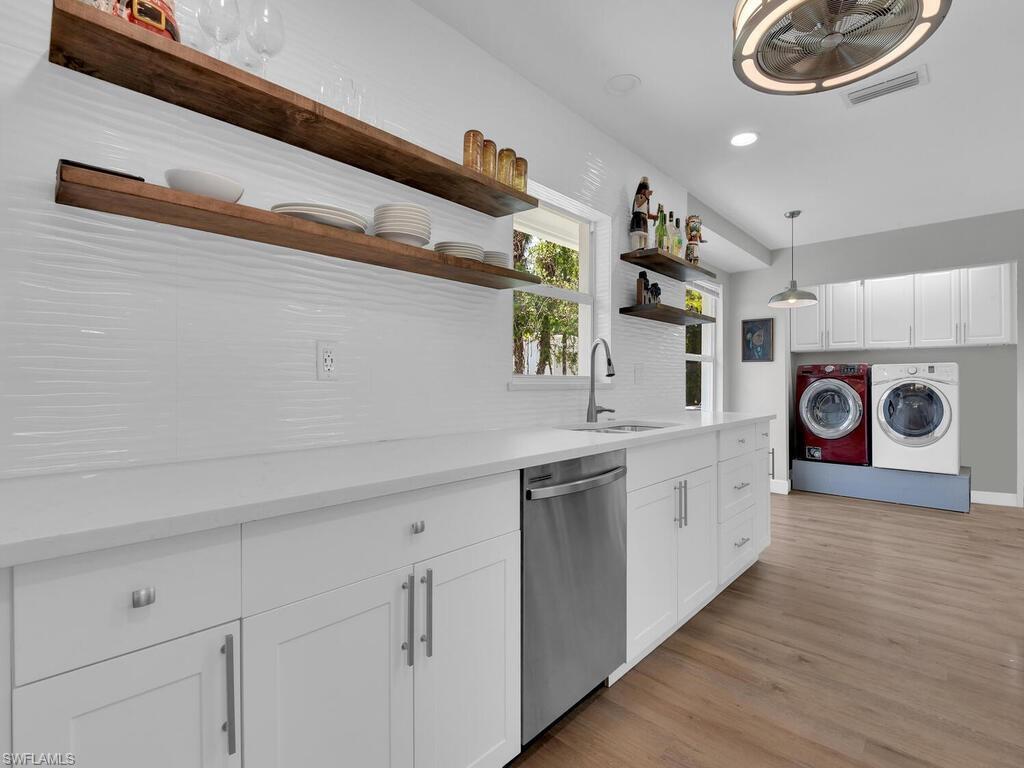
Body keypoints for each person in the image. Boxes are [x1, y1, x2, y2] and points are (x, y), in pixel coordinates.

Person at [629, 177, 657, 250]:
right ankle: (635, 250)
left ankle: (641, 252)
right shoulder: (638, 196)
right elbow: (638, 204)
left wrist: (654, 217)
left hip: (644, 221)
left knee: (643, 241)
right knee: (636, 238)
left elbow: (647, 214)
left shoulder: (646, 201)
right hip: (637, 218)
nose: (645, 191)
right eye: (644, 190)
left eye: (646, 190)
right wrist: (646, 197)